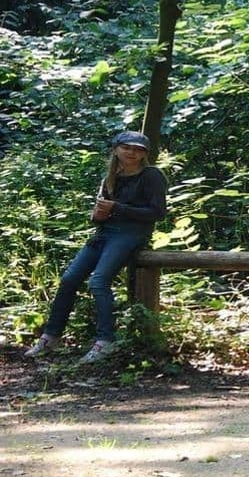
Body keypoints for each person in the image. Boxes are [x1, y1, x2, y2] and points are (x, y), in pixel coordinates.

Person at [24, 131, 167, 364]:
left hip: (132, 234)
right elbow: (98, 218)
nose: (132, 153)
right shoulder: (111, 177)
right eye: (127, 148)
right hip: (104, 234)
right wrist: (99, 214)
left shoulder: (151, 176)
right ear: (116, 150)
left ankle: (105, 341)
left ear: (145, 154)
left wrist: (117, 208)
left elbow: (158, 213)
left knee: (98, 281)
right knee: (69, 279)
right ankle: (51, 337)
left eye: (139, 149)